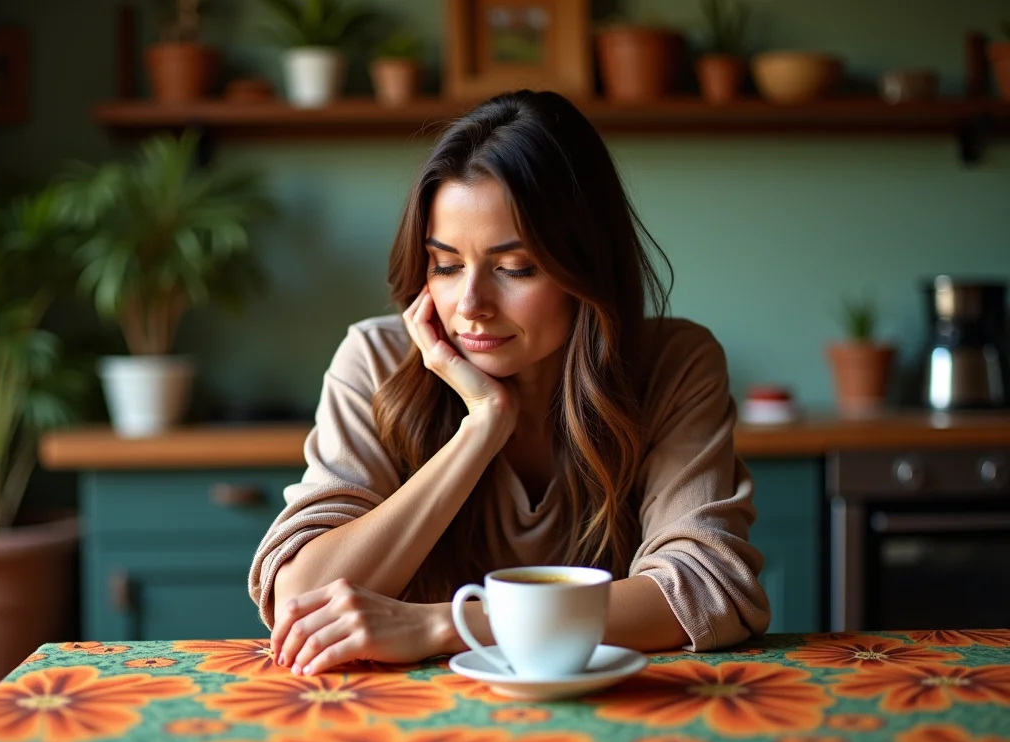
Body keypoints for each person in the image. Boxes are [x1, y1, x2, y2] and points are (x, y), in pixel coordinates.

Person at [248, 90, 770, 677]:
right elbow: (301, 602)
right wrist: (483, 426)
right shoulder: (376, 357)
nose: (470, 304)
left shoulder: (674, 364)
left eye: (514, 268)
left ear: (585, 266)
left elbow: (705, 590)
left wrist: (449, 623)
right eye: (445, 265)